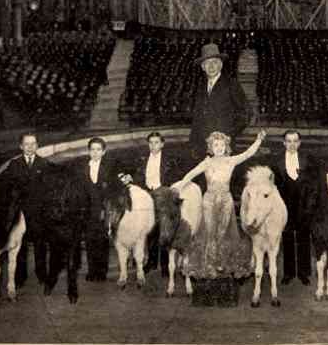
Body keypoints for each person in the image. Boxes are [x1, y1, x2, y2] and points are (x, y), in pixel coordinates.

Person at [173, 129, 267, 307]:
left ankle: (221, 265)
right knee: (209, 232)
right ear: (211, 147)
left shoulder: (231, 161)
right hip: (208, 200)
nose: (219, 147)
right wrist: (178, 187)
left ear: (226, 147)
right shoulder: (207, 162)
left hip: (226, 200)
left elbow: (248, 154)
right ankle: (209, 266)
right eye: (215, 145)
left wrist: (258, 140)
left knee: (223, 233)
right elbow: (190, 174)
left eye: (222, 145)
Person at [0, 132, 52, 288]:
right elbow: (1, 181)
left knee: (40, 244)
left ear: (37, 145)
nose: (30, 147)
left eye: (33, 144)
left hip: (38, 212)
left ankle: (42, 275)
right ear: (21, 146)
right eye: (27, 144)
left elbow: (50, 189)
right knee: (21, 245)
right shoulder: (14, 165)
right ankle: (20, 277)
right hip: (19, 213)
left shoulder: (44, 164)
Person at [118, 132, 181, 277]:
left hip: (163, 195)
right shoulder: (142, 159)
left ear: (162, 144)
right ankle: (152, 263)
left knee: (165, 230)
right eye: (151, 143)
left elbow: (176, 178)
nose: (153, 146)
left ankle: (165, 266)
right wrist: (130, 178)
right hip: (148, 196)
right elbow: (138, 176)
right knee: (150, 229)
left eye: (157, 142)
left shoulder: (169, 160)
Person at [188, 43, 250, 160]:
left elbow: (245, 114)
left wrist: (228, 135)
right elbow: (197, 117)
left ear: (221, 65)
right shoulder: (200, 87)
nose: (211, 66)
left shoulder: (231, 84)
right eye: (207, 63)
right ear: (202, 67)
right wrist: (193, 143)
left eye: (215, 62)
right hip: (202, 147)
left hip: (223, 146)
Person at [270, 130, 313, 286]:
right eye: (289, 141)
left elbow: (312, 182)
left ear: (299, 143)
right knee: (287, 238)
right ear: (284, 143)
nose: (292, 144)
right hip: (284, 205)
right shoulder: (276, 161)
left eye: (295, 141)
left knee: (303, 239)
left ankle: (303, 273)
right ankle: (288, 273)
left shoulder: (307, 159)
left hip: (303, 205)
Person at [73, 137, 119, 282]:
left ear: (103, 152)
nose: (95, 152)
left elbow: (112, 189)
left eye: (98, 149)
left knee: (102, 240)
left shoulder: (109, 168)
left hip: (103, 210)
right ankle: (92, 270)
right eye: (92, 149)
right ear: (88, 151)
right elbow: (79, 189)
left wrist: (107, 209)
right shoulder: (83, 168)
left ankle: (102, 271)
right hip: (87, 211)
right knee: (89, 240)